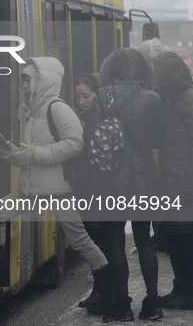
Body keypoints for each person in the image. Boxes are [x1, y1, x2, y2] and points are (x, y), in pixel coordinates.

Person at [0, 57, 115, 312]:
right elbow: (37, 150)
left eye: (27, 80)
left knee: (80, 241)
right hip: (34, 187)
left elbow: (75, 144)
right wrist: (14, 154)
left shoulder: (57, 108)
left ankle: (111, 292)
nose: (23, 85)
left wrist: (32, 154)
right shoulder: (32, 111)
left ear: (43, 81)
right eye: (23, 80)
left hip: (57, 190)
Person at [84, 48, 163, 321]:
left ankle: (123, 304)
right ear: (143, 70)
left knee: (115, 239)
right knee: (144, 240)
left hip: (110, 178)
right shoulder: (153, 98)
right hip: (144, 177)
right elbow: (158, 139)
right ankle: (153, 303)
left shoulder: (103, 96)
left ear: (112, 70)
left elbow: (90, 136)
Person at [151, 51, 193, 310]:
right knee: (176, 238)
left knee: (190, 240)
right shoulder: (173, 101)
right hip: (174, 184)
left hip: (188, 186)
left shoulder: (191, 99)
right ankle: (181, 286)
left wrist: (191, 184)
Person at [73, 73, 109, 308]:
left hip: (99, 189)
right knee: (93, 238)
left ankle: (105, 291)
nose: (81, 101)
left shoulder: (104, 120)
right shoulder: (77, 118)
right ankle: (99, 289)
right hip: (83, 188)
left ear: (98, 95)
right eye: (77, 96)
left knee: (101, 241)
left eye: (86, 96)